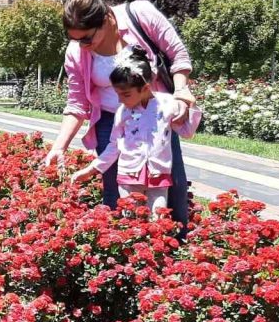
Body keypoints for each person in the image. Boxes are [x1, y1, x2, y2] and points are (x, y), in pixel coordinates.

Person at [45, 0, 197, 231]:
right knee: (119, 194)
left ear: (107, 18)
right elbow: (77, 103)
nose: (82, 45)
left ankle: (174, 243)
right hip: (111, 122)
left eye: (86, 38)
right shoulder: (76, 52)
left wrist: (180, 91)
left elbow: (178, 55)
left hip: (156, 117)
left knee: (170, 187)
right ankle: (125, 245)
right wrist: (59, 147)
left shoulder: (141, 15)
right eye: (75, 39)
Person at [71, 46, 200, 215]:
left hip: (159, 175)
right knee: (131, 219)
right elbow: (114, 146)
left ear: (145, 88)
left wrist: (192, 106)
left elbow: (187, 132)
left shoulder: (168, 105)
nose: (120, 100)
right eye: (117, 94)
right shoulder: (122, 112)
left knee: (159, 219)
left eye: (125, 94)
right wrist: (92, 169)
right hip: (128, 175)